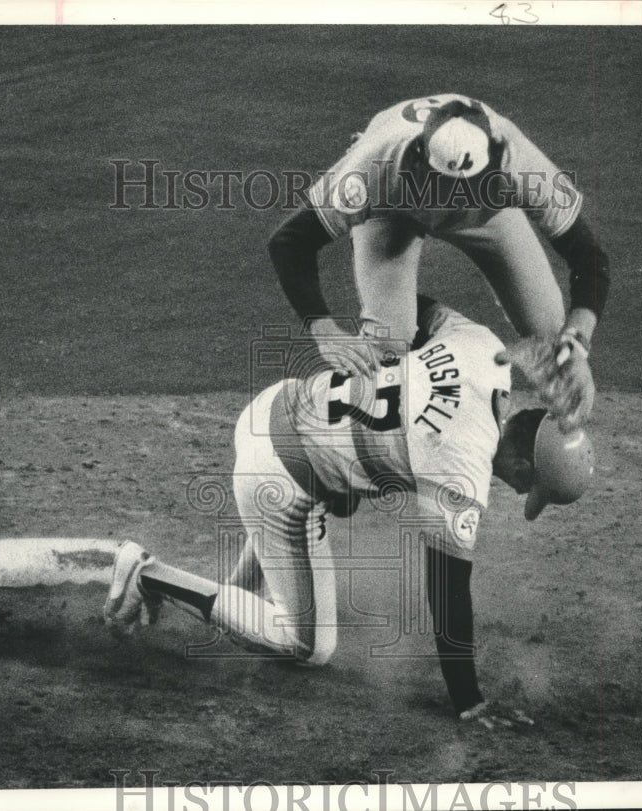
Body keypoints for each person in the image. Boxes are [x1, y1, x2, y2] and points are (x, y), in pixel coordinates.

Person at [103, 299, 595, 726]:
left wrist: (391, 368)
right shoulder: (463, 471)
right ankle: (149, 577)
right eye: (531, 485)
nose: (519, 492)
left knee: (336, 495)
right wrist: (469, 700)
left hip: (277, 403)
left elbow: (402, 304)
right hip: (275, 481)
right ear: (528, 462)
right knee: (308, 647)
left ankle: (234, 595)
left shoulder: (485, 351)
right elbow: (449, 599)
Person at [267, 93, 609, 431]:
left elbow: (589, 256)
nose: (452, 199)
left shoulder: (520, 163)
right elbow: (289, 241)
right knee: (387, 343)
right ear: (418, 157)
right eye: (443, 186)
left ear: (496, 157)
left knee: (554, 342)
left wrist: (577, 342)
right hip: (394, 209)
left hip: (488, 216)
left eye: (468, 187)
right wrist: (324, 332)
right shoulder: (374, 165)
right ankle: (356, 445)